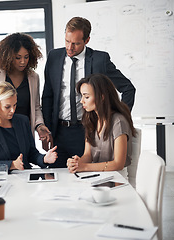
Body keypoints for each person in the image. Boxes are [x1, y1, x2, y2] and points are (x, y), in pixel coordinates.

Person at [42, 16, 135, 168]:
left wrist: (116, 117)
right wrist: (47, 130)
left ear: (87, 40)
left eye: (76, 43)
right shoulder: (54, 57)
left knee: (86, 179)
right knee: (58, 179)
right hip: (59, 131)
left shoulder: (100, 60)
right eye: (67, 41)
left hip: (88, 130)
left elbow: (128, 89)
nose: (70, 48)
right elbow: (48, 96)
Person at [0, 33, 51, 148]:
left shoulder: (33, 77)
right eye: (18, 57)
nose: (22, 61)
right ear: (9, 56)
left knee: (23, 164)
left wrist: (39, 125)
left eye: (26, 57)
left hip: (23, 133)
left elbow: (35, 107)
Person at [0, 82, 57, 174]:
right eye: (7, 107)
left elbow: (31, 153)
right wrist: (12, 165)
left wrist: (44, 159)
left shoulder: (22, 121)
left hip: (25, 179)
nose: (13, 110)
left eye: (15, 105)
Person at [66, 74, 136, 177]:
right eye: (82, 96)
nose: (82, 101)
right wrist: (77, 163)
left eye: (86, 97)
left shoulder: (118, 121)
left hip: (116, 179)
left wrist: (84, 167)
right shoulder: (91, 119)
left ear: (101, 97)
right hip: (96, 176)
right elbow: (88, 155)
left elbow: (118, 164)